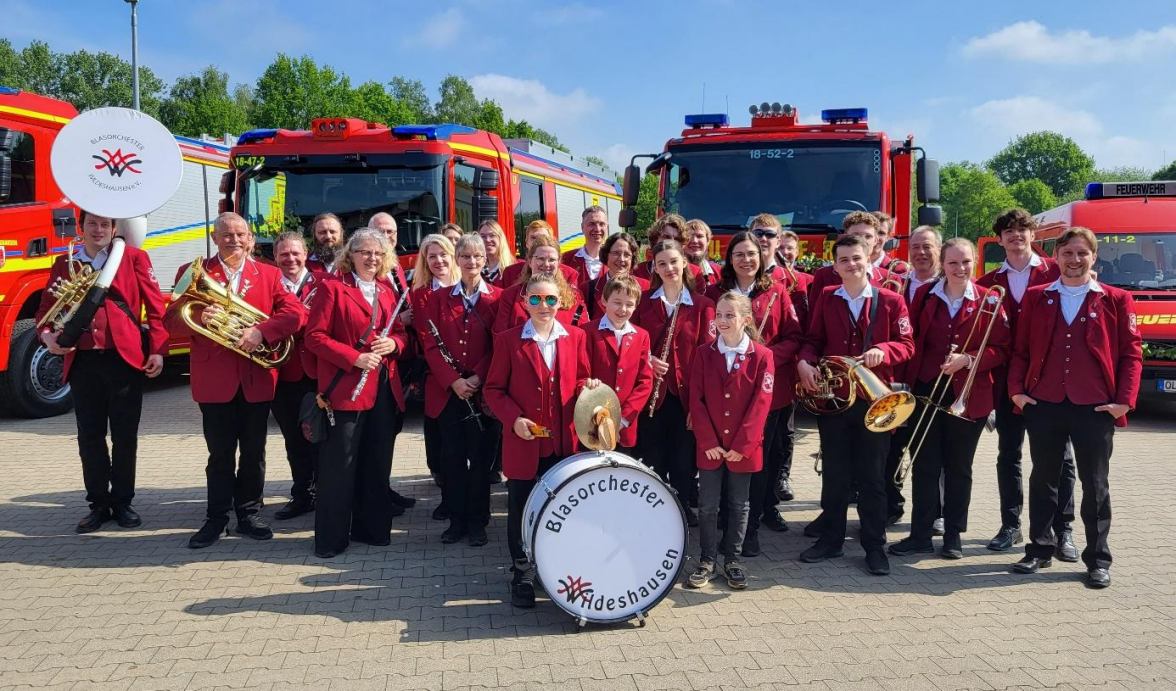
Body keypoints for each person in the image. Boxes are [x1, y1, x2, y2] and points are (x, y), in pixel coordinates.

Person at [1008, 228, 1141, 588]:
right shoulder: (1038, 298)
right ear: (1056, 257)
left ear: (1093, 257)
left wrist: (1124, 401)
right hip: (1044, 403)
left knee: (1095, 484)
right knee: (1043, 479)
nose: (1074, 259)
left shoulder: (1116, 299)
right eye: (1067, 253)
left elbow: (1131, 353)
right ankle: (1039, 549)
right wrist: (1018, 392)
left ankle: (1098, 559)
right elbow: (1020, 351)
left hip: (1095, 407)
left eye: (1082, 253)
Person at [165, 212, 303, 549]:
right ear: (215, 238)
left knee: (254, 452)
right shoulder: (192, 272)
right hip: (214, 379)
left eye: (241, 234)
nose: (234, 240)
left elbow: (297, 313)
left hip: (255, 378)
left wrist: (261, 331)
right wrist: (198, 316)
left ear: (251, 239)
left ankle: (249, 514)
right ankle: (216, 518)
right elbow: (170, 320)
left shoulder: (269, 275)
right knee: (219, 454)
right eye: (227, 234)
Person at [35, 210, 168, 533]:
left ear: (114, 228)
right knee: (89, 436)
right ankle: (98, 503)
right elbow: (44, 313)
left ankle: (123, 502)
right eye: (92, 224)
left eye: (105, 224)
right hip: (82, 361)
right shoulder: (64, 264)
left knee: (125, 436)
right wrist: (48, 335)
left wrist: (158, 350)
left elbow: (155, 309)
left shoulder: (133, 257)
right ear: (80, 229)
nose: (98, 230)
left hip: (123, 360)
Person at [797, 235, 914, 575]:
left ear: (869, 260)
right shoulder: (825, 297)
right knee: (835, 474)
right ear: (835, 266)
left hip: (875, 404)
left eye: (857, 258)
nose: (851, 264)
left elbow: (907, 344)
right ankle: (830, 540)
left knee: (873, 478)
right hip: (834, 402)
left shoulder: (891, 300)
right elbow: (813, 340)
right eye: (844, 260)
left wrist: (886, 350)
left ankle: (875, 547)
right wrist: (804, 362)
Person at [888, 239, 1010, 560]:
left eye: (967, 262)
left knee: (959, 468)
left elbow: (1002, 349)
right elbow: (911, 339)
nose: (961, 269)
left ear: (975, 263)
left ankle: (953, 535)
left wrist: (969, 360)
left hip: (968, 396)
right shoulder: (927, 296)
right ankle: (919, 535)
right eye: (953, 263)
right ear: (943, 263)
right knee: (925, 466)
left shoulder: (989, 300)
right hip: (927, 392)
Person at [484, 272, 591, 608]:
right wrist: (513, 419)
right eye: (535, 299)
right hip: (524, 442)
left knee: (561, 508)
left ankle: (555, 569)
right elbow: (492, 390)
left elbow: (584, 377)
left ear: (561, 301)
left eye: (550, 299)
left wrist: (589, 387)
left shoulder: (575, 337)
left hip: (563, 444)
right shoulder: (508, 339)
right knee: (521, 508)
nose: (543, 306)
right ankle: (523, 573)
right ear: (524, 302)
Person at [977, 208, 1078, 556]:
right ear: (1000, 239)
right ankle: (1010, 525)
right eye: (1008, 231)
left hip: (1050, 377)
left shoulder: (1055, 270)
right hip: (1006, 379)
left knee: (1060, 457)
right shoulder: (987, 283)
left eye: (1022, 230)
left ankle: (1063, 529)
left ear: (1033, 235)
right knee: (1009, 453)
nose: (1015, 236)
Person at [303, 229, 409, 558]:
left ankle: (371, 530)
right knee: (340, 466)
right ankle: (332, 539)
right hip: (347, 388)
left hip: (382, 387)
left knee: (377, 462)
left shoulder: (387, 292)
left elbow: (402, 334)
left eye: (378, 254)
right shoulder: (331, 288)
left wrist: (393, 344)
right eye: (365, 252)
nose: (372, 258)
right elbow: (315, 337)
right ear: (351, 254)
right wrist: (355, 357)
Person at [705, 232, 802, 554]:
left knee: (753, 463)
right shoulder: (713, 293)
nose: (746, 260)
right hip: (722, 395)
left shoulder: (776, 292)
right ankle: (724, 523)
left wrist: (766, 358)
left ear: (761, 258)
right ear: (729, 259)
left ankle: (751, 529)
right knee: (720, 460)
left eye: (752, 254)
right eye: (739, 254)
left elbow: (793, 337)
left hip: (765, 396)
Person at [685, 291, 775, 591]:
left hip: (743, 448)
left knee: (739, 505)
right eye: (718, 315)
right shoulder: (703, 352)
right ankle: (707, 559)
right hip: (709, 445)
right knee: (708, 505)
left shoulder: (763, 356)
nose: (721, 321)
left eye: (729, 315)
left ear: (746, 319)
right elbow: (695, 400)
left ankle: (733, 560)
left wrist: (742, 445)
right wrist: (707, 439)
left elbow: (762, 403)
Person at [420, 234, 502, 547]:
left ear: (484, 260)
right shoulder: (438, 299)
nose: (471, 262)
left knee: (481, 462)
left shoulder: (497, 298)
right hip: (449, 392)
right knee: (452, 459)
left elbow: (500, 345)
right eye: (465, 256)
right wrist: (454, 380)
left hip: (482, 393)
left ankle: (478, 521)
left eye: (476, 257)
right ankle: (456, 520)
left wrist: (478, 378)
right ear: (457, 259)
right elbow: (429, 345)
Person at [633, 239, 716, 528]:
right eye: (661, 263)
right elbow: (630, 343)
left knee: (683, 460)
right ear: (654, 268)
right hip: (651, 395)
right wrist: (647, 360)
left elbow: (709, 357)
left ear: (684, 263)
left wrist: (701, 403)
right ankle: (654, 510)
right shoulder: (643, 302)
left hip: (686, 395)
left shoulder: (704, 306)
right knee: (654, 456)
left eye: (673, 262)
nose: (669, 268)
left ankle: (680, 511)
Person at [268, 232, 323, 520]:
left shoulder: (323, 283)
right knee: (292, 438)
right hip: (282, 371)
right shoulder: (268, 284)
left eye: (295, 253)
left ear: (306, 254)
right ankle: (302, 493)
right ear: (275, 257)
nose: (290, 258)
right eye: (284, 254)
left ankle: (323, 492)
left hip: (314, 372)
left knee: (317, 436)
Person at [409, 234, 459, 519]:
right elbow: (425, 337)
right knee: (443, 445)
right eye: (431, 256)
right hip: (438, 377)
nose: (438, 261)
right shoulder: (420, 293)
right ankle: (448, 498)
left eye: (443, 254)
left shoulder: (468, 286)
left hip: (470, 377)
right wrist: (450, 376)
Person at [579, 274, 654, 455]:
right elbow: (582, 374)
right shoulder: (587, 331)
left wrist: (622, 420)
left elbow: (645, 381)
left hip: (625, 426)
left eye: (629, 304)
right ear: (604, 301)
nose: (623, 309)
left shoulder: (641, 335)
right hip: (591, 422)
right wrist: (598, 419)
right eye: (617, 302)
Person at [493, 235, 587, 333]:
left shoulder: (575, 297)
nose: (546, 264)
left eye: (552, 260)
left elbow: (582, 336)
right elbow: (501, 338)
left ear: (559, 262)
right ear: (529, 262)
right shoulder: (509, 296)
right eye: (540, 259)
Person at [806, 211, 886, 309]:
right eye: (856, 235)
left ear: (876, 240)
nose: (862, 240)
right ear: (846, 236)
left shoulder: (889, 278)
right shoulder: (824, 276)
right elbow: (815, 317)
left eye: (868, 236)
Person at [579, 232, 650, 320]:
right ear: (606, 255)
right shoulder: (587, 289)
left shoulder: (646, 288)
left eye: (627, 255)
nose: (621, 259)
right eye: (616, 253)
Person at [501, 220, 580, 287]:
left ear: (551, 241)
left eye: (543, 237)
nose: (537, 242)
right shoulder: (510, 273)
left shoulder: (570, 274)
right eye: (533, 238)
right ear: (526, 243)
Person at [633, 214, 703, 282]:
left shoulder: (695, 274)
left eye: (677, 239)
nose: (671, 242)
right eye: (666, 237)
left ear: (683, 245)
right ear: (655, 239)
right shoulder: (637, 272)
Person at [562, 206, 608, 281]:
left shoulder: (614, 260)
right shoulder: (566, 259)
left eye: (602, 224)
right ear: (582, 227)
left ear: (606, 227)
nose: (597, 229)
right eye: (591, 224)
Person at [367, 212, 409, 292]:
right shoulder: (364, 267)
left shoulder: (396, 265)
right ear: (368, 234)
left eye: (390, 231)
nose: (385, 237)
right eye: (379, 232)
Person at [684, 219, 723, 288]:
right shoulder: (673, 272)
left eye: (699, 236)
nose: (694, 241)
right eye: (689, 236)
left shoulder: (720, 272)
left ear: (708, 241)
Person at [478, 219, 515, 286]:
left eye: (492, 235)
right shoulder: (476, 268)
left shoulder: (514, 267)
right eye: (483, 236)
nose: (487, 240)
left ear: (500, 238)